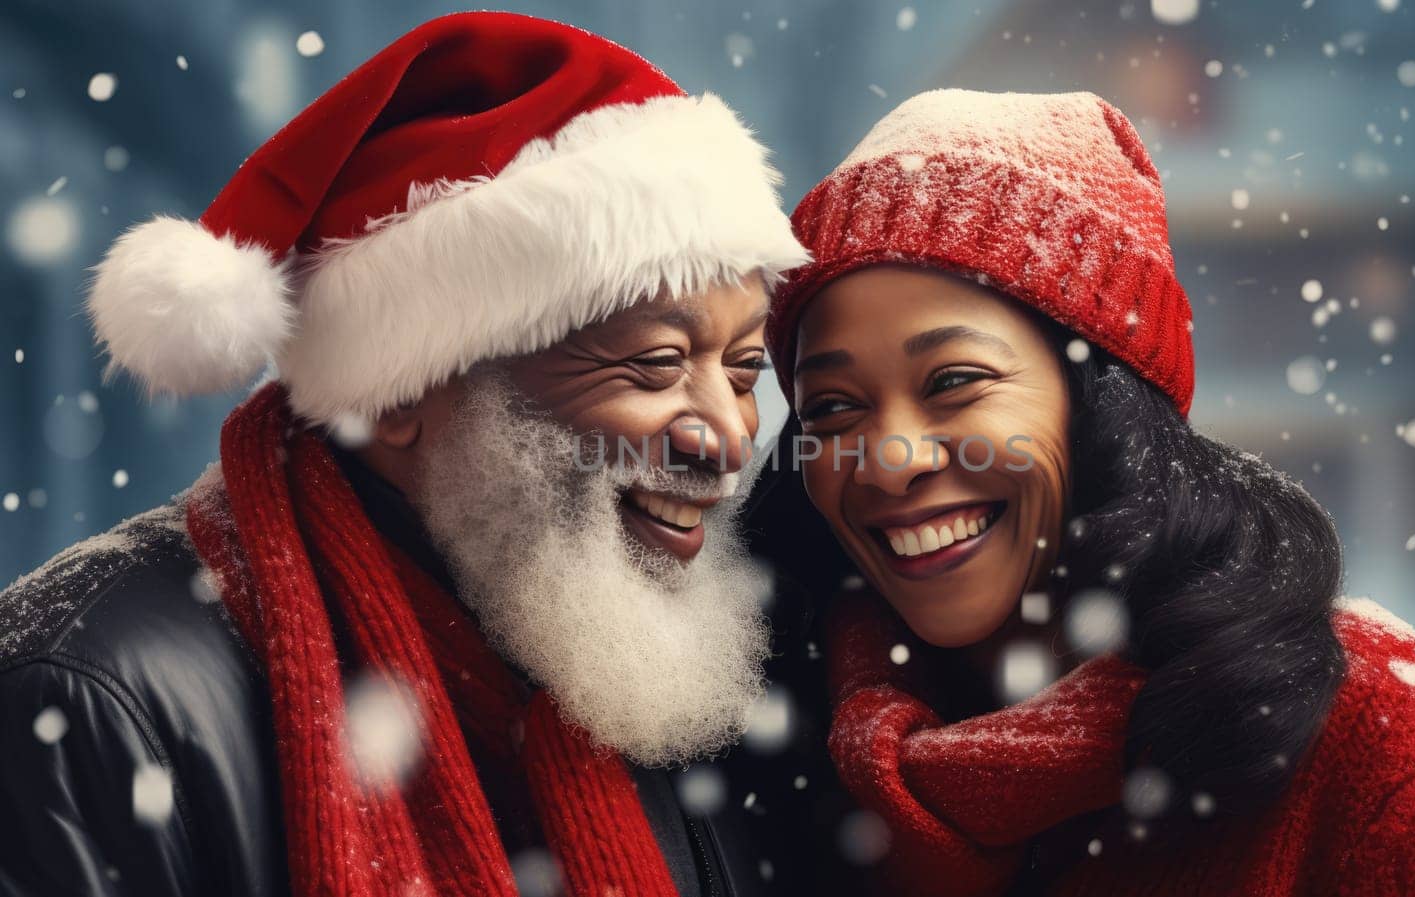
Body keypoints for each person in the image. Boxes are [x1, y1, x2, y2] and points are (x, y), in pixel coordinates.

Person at [0, 13, 812, 897]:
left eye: (742, 371)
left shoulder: (653, 663)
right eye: (656, 365)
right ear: (399, 394)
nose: (729, 433)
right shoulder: (91, 695)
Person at [749, 89, 1415, 896]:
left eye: (956, 380)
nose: (889, 459)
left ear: (1104, 403)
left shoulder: (1380, 744)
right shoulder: (778, 746)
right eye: (832, 406)